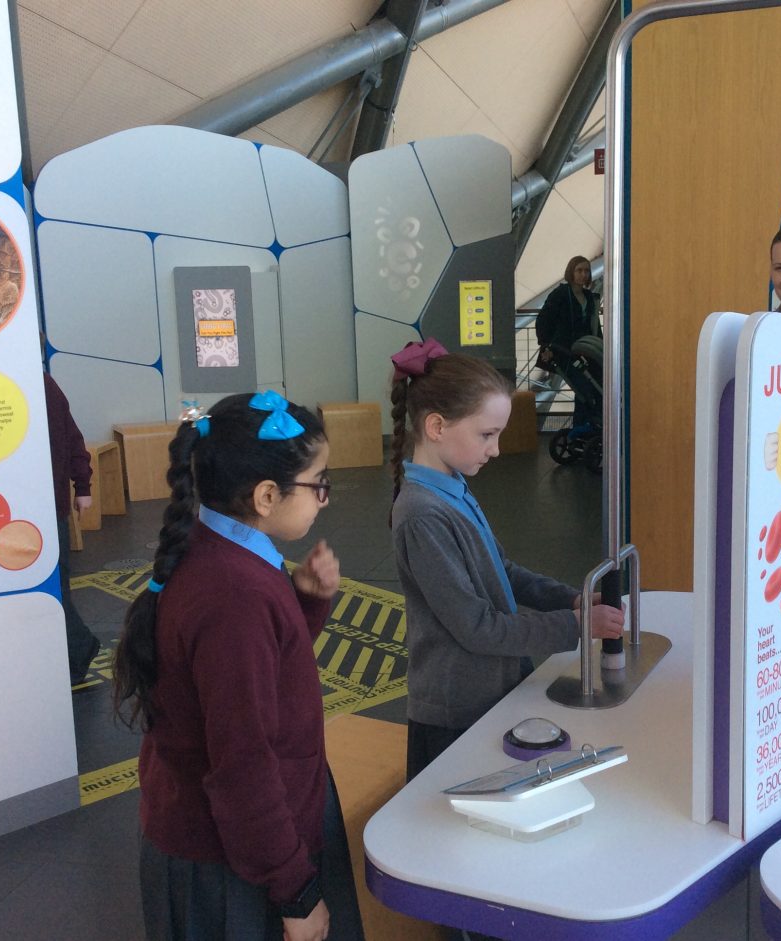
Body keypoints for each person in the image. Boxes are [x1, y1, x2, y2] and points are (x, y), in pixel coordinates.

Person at [112, 391, 364, 941]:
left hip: (243, 837)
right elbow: (242, 763)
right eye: (319, 483)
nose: (324, 498)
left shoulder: (219, 553)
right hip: (235, 861)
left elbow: (257, 675)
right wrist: (295, 891)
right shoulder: (235, 593)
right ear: (267, 495)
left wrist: (304, 603)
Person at [388, 339, 626, 782]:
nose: (496, 449)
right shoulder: (422, 515)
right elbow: (477, 627)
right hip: (455, 713)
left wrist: (570, 599)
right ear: (437, 426)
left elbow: (504, 571)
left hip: (493, 690)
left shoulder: (453, 488)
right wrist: (575, 625)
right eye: (487, 435)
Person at [43, 370, 100, 685]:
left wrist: (83, 487)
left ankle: (78, 651)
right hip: (40, 509)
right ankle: (73, 652)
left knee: (55, 588)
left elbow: (71, 438)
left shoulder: (44, 387)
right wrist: (81, 487)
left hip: (48, 509)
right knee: (54, 587)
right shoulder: (44, 384)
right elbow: (74, 439)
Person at [535, 255, 602, 428]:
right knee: (583, 389)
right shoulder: (560, 294)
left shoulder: (589, 297)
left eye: (586, 271)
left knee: (593, 388)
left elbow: (594, 325)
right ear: (571, 272)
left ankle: (587, 427)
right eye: (579, 270)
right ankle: (581, 427)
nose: (583, 274)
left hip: (586, 351)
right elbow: (543, 320)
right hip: (565, 351)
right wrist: (545, 345)